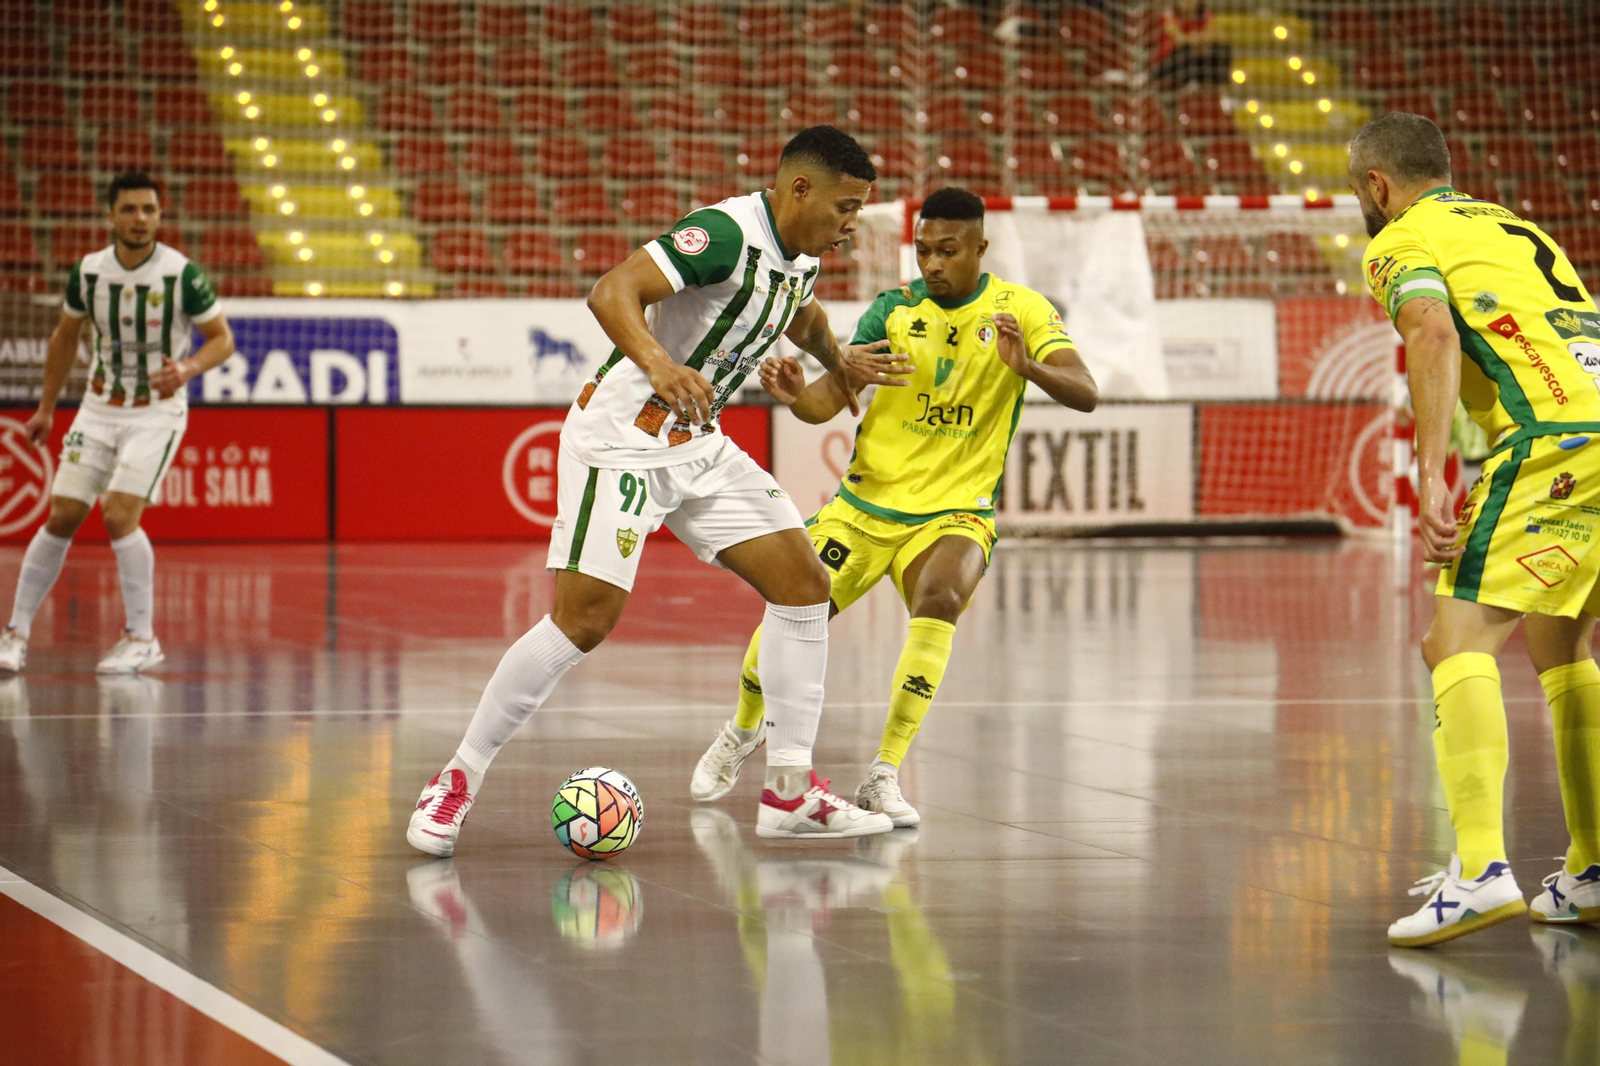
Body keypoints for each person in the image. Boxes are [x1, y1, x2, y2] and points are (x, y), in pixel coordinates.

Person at [408, 127, 910, 857]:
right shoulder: (723, 234)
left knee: (805, 585)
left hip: (697, 445)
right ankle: (455, 780)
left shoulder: (799, 258)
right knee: (582, 623)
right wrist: (659, 364)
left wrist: (841, 359)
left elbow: (802, 313)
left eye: (858, 210)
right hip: (622, 441)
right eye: (844, 207)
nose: (851, 225)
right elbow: (612, 290)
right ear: (799, 188)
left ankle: (790, 793)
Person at [690, 187, 1099, 826]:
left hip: (955, 511)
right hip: (862, 507)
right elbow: (827, 402)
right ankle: (742, 731)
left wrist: (1029, 369)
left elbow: (1087, 392)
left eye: (948, 251)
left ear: (980, 248)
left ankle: (883, 774)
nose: (932, 264)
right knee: (796, 608)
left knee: (941, 597)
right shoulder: (894, 310)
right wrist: (798, 394)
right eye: (925, 250)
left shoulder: (1021, 311)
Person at [1351, 112, 1600, 946]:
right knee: (1561, 643)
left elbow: (1432, 330)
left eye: (1361, 192)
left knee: (1452, 640)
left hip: (1549, 442)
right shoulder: (1518, 225)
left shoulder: (1400, 239)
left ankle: (1481, 870)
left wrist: (1429, 475)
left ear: (1377, 187)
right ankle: (1592, 871)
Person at [0, 172, 233, 675]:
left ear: (159, 215)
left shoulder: (182, 273)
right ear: (110, 215)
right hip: (99, 408)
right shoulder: (88, 273)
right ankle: (15, 633)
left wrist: (189, 368)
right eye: (129, 209)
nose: (139, 219)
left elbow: (222, 339)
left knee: (119, 513)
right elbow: (65, 338)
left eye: (149, 209)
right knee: (62, 515)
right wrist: (45, 408)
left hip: (157, 412)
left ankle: (142, 637)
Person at [1151, 0, 1229, 89]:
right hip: (1168, 62)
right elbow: (1179, 39)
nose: (1188, 2)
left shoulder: (1205, 14)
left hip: (1195, 56)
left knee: (1221, 50)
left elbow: (1219, 36)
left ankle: (1217, 88)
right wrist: (1200, 40)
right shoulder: (1168, 15)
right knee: (1186, 51)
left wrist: (1195, 40)